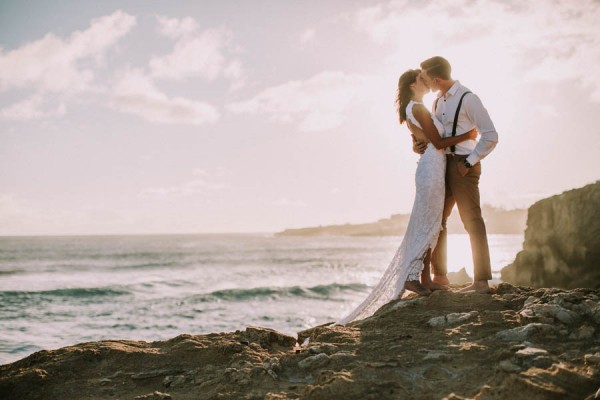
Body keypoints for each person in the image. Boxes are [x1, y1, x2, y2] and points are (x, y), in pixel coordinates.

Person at [331, 68, 476, 326]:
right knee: (430, 222)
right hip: (432, 166)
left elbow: (421, 138)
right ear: (412, 84)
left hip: (432, 164)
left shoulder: (415, 108)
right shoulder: (417, 108)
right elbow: (439, 143)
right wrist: (468, 135)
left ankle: (426, 280)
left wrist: (415, 143)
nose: (427, 81)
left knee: (433, 223)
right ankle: (412, 277)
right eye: (421, 78)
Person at [409, 56, 498, 293]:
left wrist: (468, 163)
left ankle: (481, 282)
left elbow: (491, 135)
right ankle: (440, 278)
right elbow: (432, 135)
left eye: (425, 76)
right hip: (441, 165)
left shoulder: (468, 98)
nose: (424, 81)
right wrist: (416, 145)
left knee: (472, 220)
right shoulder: (437, 102)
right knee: (439, 221)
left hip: (463, 165)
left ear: (436, 78)